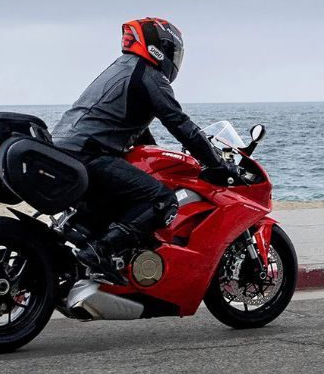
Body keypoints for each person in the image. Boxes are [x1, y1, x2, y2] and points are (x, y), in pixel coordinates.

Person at [52, 17, 238, 284]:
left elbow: (139, 135)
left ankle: (97, 253)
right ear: (158, 47)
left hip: (68, 149)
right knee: (161, 200)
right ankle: (98, 252)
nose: (175, 60)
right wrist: (216, 164)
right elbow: (179, 123)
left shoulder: (121, 68)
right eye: (173, 52)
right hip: (89, 153)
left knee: (126, 197)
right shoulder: (148, 75)